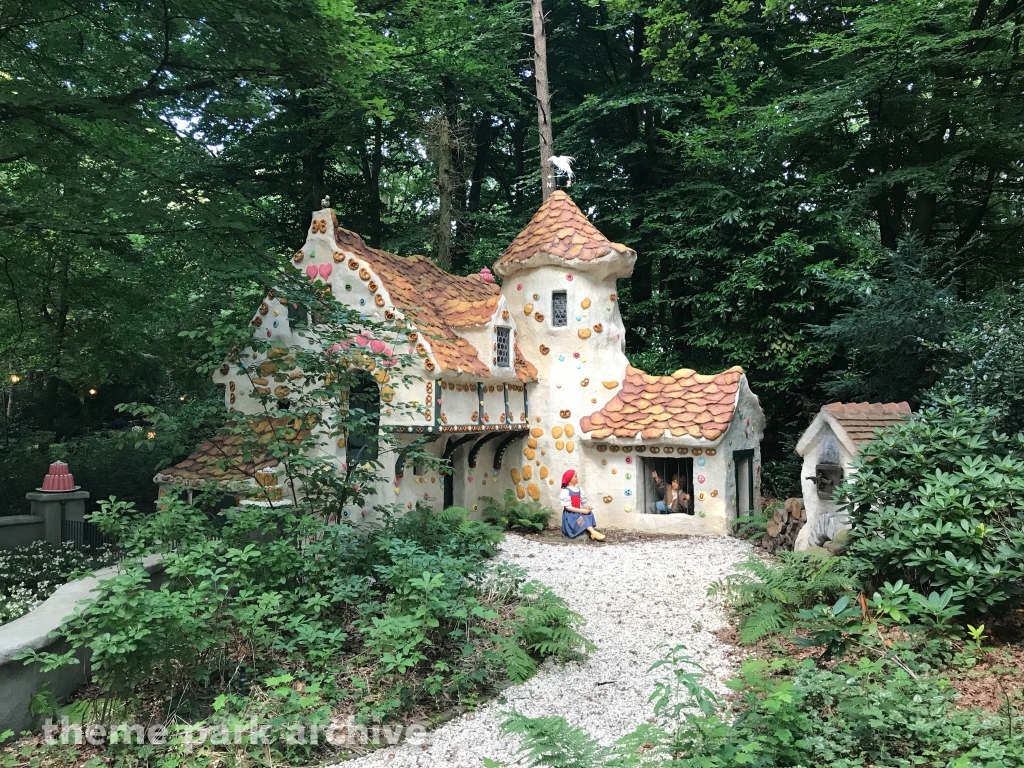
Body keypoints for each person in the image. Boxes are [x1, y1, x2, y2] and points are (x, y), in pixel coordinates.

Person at [560, 469, 606, 541]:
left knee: (589, 514)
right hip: (570, 515)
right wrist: (582, 510)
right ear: (569, 479)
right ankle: (593, 533)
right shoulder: (565, 491)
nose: (577, 478)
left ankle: (587, 530)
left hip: (577, 512)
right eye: (575, 476)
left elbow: (582, 502)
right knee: (582, 517)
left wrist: (586, 507)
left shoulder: (579, 489)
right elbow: (568, 507)